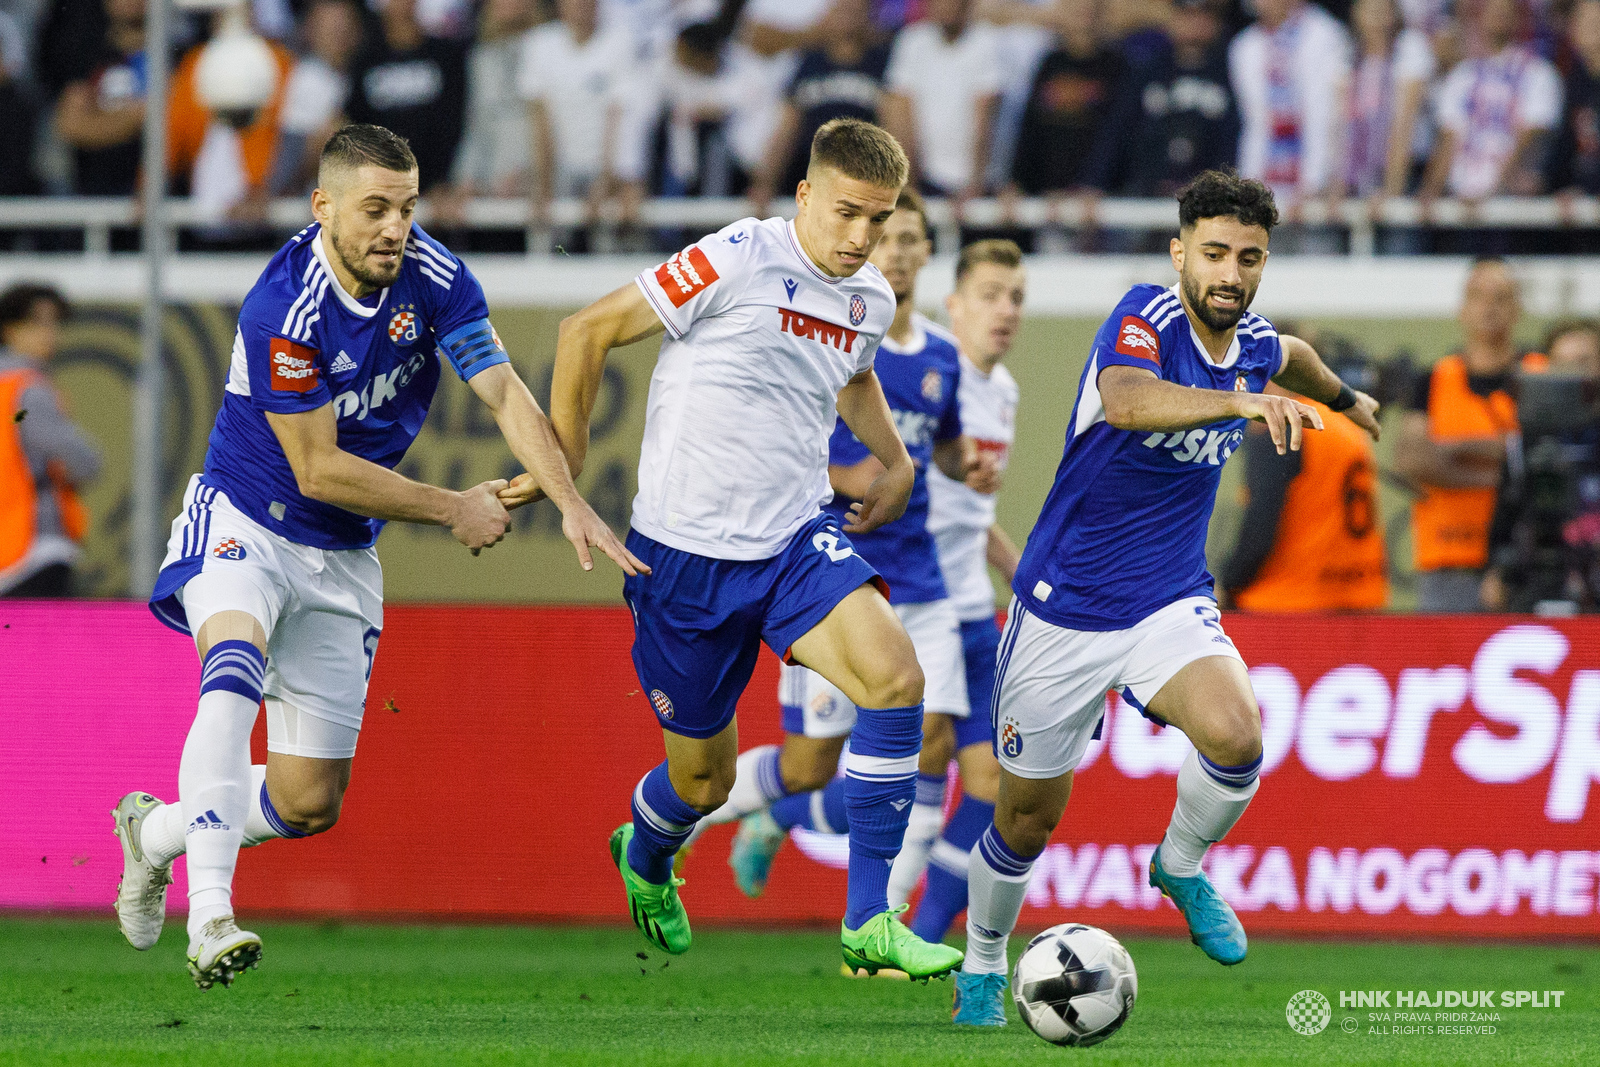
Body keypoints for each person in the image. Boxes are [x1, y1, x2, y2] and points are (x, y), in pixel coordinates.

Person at [110, 124, 641, 990]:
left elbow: (503, 389)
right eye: (374, 209)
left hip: (342, 556)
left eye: (407, 206)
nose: (395, 227)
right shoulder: (283, 306)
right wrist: (453, 507)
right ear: (323, 208)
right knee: (232, 670)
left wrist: (570, 497)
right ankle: (210, 914)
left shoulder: (434, 278)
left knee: (305, 802)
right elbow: (317, 467)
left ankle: (156, 833)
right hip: (248, 519)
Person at [949, 170, 1381, 1026]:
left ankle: (1179, 866)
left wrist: (1346, 398)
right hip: (1062, 605)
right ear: (1180, 252)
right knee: (1025, 820)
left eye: (1249, 257)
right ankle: (982, 967)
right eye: (1214, 252)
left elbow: (1293, 355)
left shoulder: (1256, 343)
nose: (1231, 272)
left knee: (1237, 734)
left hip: (1167, 600)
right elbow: (1127, 402)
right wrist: (1242, 402)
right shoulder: (1141, 317)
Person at [548, 118, 964, 981]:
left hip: (793, 541)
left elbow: (851, 375)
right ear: (804, 195)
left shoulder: (871, 297)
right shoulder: (738, 255)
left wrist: (892, 460)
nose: (862, 238)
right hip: (683, 559)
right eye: (847, 213)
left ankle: (868, 921)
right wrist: (566, 465)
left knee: (897, 679)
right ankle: (649, 852)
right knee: (701, 782)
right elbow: (585, 330)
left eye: (878, 221)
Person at [681, 191, 980, 914]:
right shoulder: (825, 335)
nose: (900, 250)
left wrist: (964, 462)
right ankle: (695, 818)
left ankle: (874, 929)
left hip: (921, 582)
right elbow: (789, 435)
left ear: (926, 254)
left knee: (930, 744)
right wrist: (847, 476)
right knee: (808, 763)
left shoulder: (943, 355)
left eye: (912, 238)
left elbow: (943, 445)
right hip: (830, 576)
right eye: (890, 236)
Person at [908, 238, 1025, 946]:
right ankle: (780, 814)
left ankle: (919, 932)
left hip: (975, 605)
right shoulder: (927, 373)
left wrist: (1020, 569)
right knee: (911, 756)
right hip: (920, 604)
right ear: (953, 303)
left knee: (989, 781)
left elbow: (972, 517)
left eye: (1015, 297)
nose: (1004, 310)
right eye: (988, 294)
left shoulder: (1004, 390)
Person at [1393, 258, 1538, 612]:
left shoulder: (1540, 373)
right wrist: (1509, 473)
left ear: (1518, 307)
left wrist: (1450, 452)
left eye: (1500, 297)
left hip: (1527, 560)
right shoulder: (1435, 379)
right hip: (1449, 558)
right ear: (1462, 308)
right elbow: (1412, 459)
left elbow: (1553, 457)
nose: (1489, 308)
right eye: (1478, 296)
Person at [1219, 347, 1389, 612]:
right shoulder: (1341, 422)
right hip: (1359, 594)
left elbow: (1261, 528)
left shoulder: (1281, 426)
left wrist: (1228, 584)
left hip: (1291, 599)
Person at [1480, 319, 1600, 612]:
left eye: (1584, 361)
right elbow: (1504, 523)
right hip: (1534, 588)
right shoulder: (1524, 445)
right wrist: (1496, 574)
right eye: (1563, 363)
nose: (1574, 373)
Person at [0, 284, 100, 598]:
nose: (49, 333)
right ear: (10, 329)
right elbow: (83, 461)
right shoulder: (28, 389)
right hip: (33, 544)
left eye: (54, 323)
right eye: (37, 323)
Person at [1084, 0, 1239, 199]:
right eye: (1185, 15)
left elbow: (1238, 135)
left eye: (1201, 15)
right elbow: (1117, 130)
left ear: (1215, 22)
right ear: (1172, 19)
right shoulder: (1147, 70)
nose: (1192, 24)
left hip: (1210, 198)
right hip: (1146, 193)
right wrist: (1093, 182)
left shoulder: (1233, 70)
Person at [1228, 0, 1351, 242]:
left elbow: (1330, 115)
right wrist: (1250, 187)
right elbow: (1256, 126)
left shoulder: (1323, 34)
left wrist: (1315, 181)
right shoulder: (1245, 46)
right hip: (1264, 191)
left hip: (1317, 192)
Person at [749, 0, 890, 211]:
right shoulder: (810, 63)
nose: (848, 18)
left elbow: (894, 125)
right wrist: (765, 182)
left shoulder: (882, 63)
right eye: (843, 10)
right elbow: (788, 125)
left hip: (863, 180)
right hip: (811, 175)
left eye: (856, 11)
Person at [1422, 0, 1562, 206]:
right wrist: (1431, 191)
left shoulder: (1539, 73)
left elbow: (1531, 134)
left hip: (1513, 205)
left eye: (1505, 12)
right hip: (1462, 203)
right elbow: (1450, 137)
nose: (1498, 17)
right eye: (1493, 11)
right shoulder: (1463, 75)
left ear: (1519, 19)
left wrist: (1492, 189)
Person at [518, 0, 638, 237]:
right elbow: (539, 118)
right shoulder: (539, 43)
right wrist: (542, 183)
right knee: (547, 238)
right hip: (558, 168)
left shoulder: (620, 42)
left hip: (605, 166)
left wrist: (609, 178)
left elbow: (619, 117)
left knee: (610, 237)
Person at [881, 0, 1003, 208]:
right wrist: (909, 186)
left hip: (977, 182)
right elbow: (899, 114)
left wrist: (974, 184)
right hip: (926, 179)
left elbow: (985, 121)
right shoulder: (912, 41)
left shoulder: (986, 40)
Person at [345, 0, 469, 198]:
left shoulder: (445, 55)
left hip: (440, 191)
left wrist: (442, 181)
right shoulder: (364, 61)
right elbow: (357, 124)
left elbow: (456, 121)